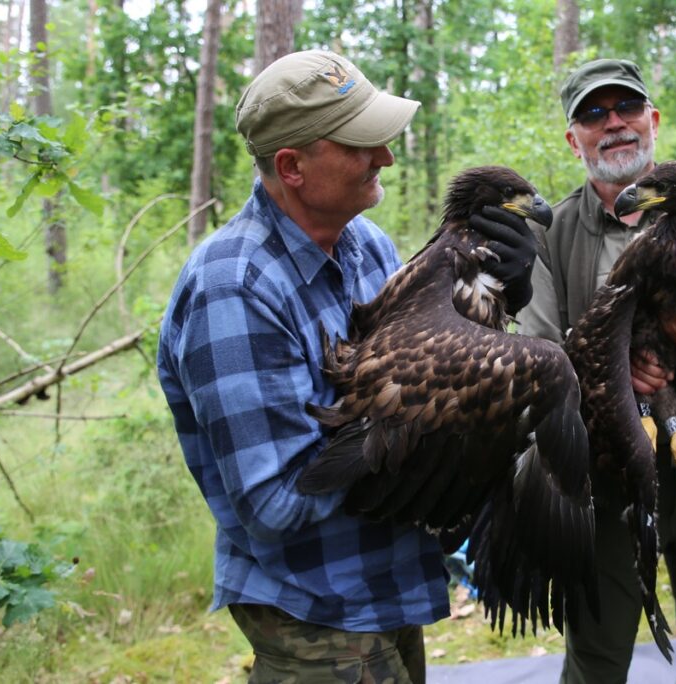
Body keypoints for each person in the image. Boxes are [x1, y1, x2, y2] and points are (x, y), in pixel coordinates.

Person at [156, 49, 536, 683]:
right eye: (361, 143)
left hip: (386, 586)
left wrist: (496, 301)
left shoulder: (367, 246)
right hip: (316, 613)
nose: (385, 157)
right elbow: (274, 501)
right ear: (292, 166)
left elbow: (414, 383)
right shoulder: (234, 288)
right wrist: (441, 454)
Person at [518, 58, 676, 684]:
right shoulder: (550, 234)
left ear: (652, 120)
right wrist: (608, 364)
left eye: (626, 108)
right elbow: (540, 360)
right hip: (606, 486)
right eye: (593, 114)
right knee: (596, 663)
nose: (614, 124)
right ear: (573, 139)